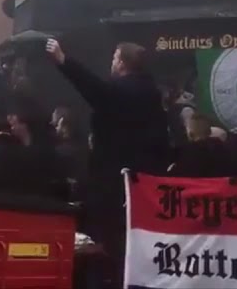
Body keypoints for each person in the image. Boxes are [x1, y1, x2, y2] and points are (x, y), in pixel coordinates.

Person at [44, 38, 168, 276]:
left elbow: (94, 88)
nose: (111, 62)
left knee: (112, 240)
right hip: (144, 177)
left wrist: (64, 61)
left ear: (122, 63)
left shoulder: (125, 91)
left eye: (114, 57)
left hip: (116, 177)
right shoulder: (151, 93)